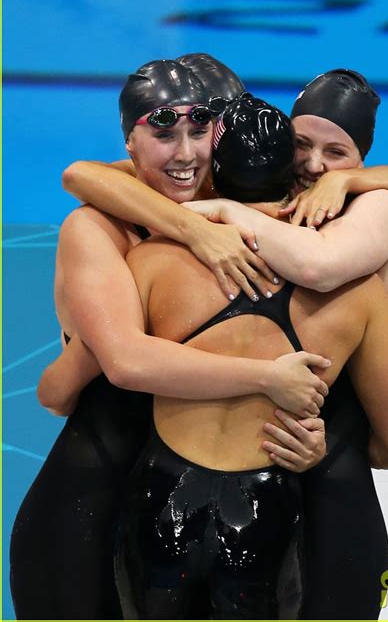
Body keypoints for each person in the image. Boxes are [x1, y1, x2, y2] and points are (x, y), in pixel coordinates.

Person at [9, 58, 327, 621]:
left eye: (202, 131)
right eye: (163, 133)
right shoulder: (101, 225)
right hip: (90, 508)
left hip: (198, 518)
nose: (187, 154)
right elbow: (121, 364)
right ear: (130, 143)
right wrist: (269, 379)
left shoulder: (242, 213)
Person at [113, 94, 388, 620]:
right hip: (272, 510)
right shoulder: (359, 293)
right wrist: (327, 454)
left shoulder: (149, 261)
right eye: (304, 148)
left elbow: (87, 387)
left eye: (334, 156)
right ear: (291, 171)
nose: (316, 166)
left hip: (160, 506)